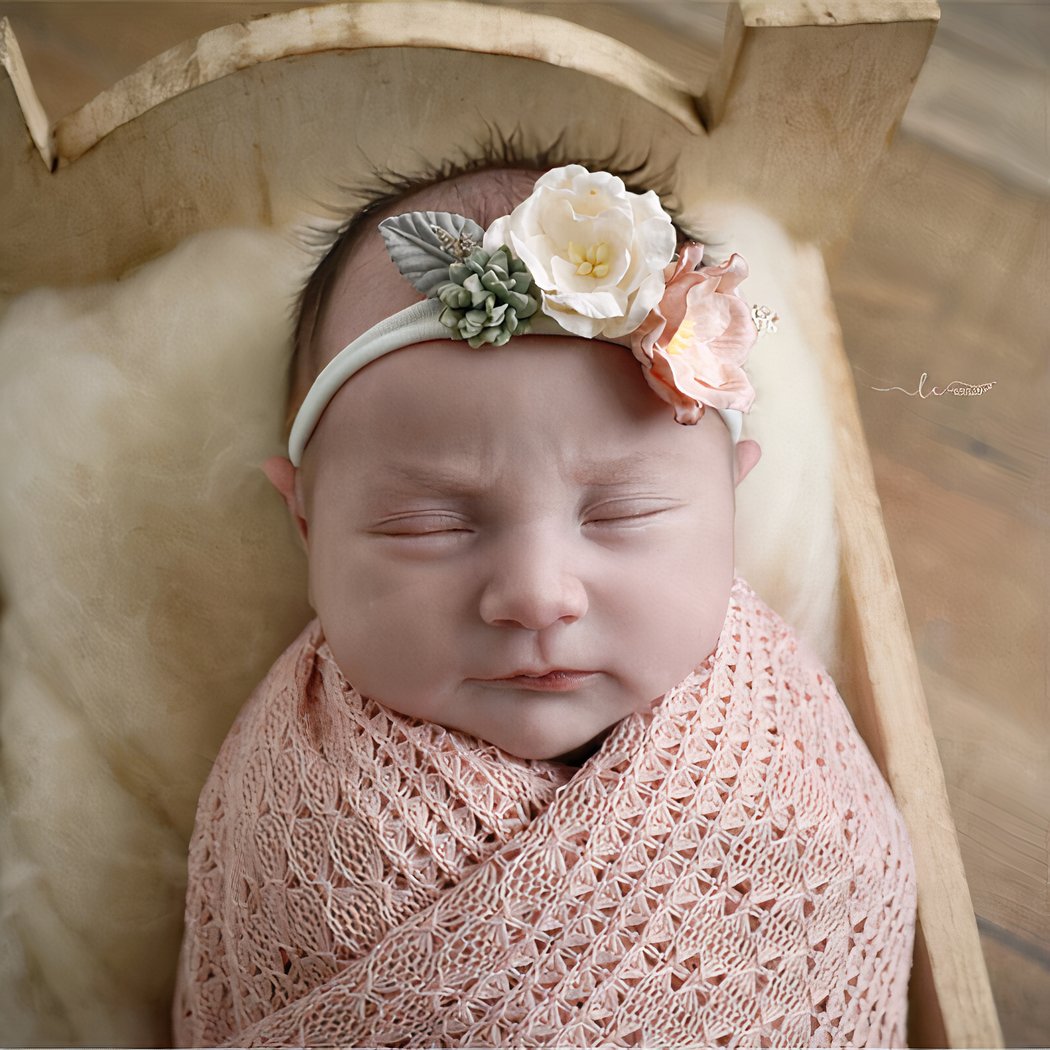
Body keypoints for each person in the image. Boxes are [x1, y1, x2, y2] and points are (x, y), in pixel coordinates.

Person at [173, 163, 917, 1047]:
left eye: (621, 513)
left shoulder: (780, 755)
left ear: (731, 502)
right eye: (425, 524)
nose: (534, 595)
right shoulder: (300, 816)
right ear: (306, 523)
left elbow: (848, 892)